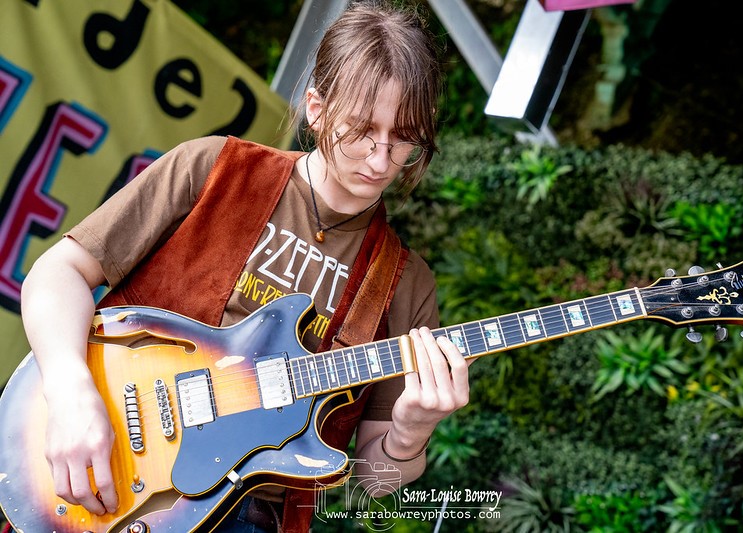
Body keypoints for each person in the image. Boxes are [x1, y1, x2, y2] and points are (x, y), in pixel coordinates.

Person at [19, 1, 471, 531]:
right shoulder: (214, 168)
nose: (380, 160)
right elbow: (59, 273)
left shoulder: (405, 282)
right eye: (362, 130)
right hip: (114, 463)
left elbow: (373, 484)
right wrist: (71, 392)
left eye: (403, 139)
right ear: (317, 109)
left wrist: (410, 432)